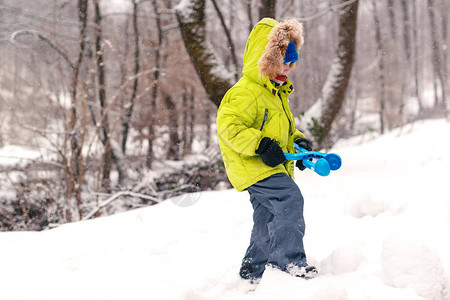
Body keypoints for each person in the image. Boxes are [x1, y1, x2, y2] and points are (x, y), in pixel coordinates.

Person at [216, 18, 317, 283]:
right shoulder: (245, 92)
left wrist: (299, 143)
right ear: (266, 58)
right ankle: (287, 263)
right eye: (282, 61)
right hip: (251, 164)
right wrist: (260, 145)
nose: (287, 68)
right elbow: (229, 128)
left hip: (267, 164)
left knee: (267, 216)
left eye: (290, 63)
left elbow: (281, 130)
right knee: (289, 200)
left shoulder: (275, 91)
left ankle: (253, 268)